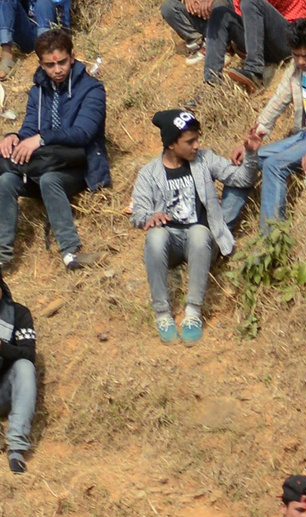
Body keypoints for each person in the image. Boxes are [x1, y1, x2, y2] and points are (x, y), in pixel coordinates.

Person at [131, 109, 255, 346]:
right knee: (156, 236)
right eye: (190, 141)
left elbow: (243, 179)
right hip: (172, 243)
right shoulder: (149, 173)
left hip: (202, 242)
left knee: (199, 231)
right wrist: (150, 216)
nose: (196, 145)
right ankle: (163, 314)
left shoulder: (204, 160)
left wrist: (251, 154)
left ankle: (193, 313)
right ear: (171, 144)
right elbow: (137, 214)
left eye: (197, 139)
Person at [0, 29, 108, 273]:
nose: (57, 69)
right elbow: (29, 126)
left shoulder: (92, 90)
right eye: (50, 65)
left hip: (79, 166)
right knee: (6, 180)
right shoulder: (38, 91)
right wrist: (14, 137)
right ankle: (2, 256)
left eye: (62, 62)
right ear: (41, 64)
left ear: (72, 56)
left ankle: (71, 252)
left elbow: (83, 133)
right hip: (44, 163)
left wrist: (42, 139)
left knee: (50, 180)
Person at [231, 19, 306, 236]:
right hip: (303, 133)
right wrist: (254, 137)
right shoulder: (295, 67)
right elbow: (278, 100)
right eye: (296, 55)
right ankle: (221, 230)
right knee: (247, 159)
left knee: (274, 166)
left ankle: (270, 242)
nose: (300, 61)